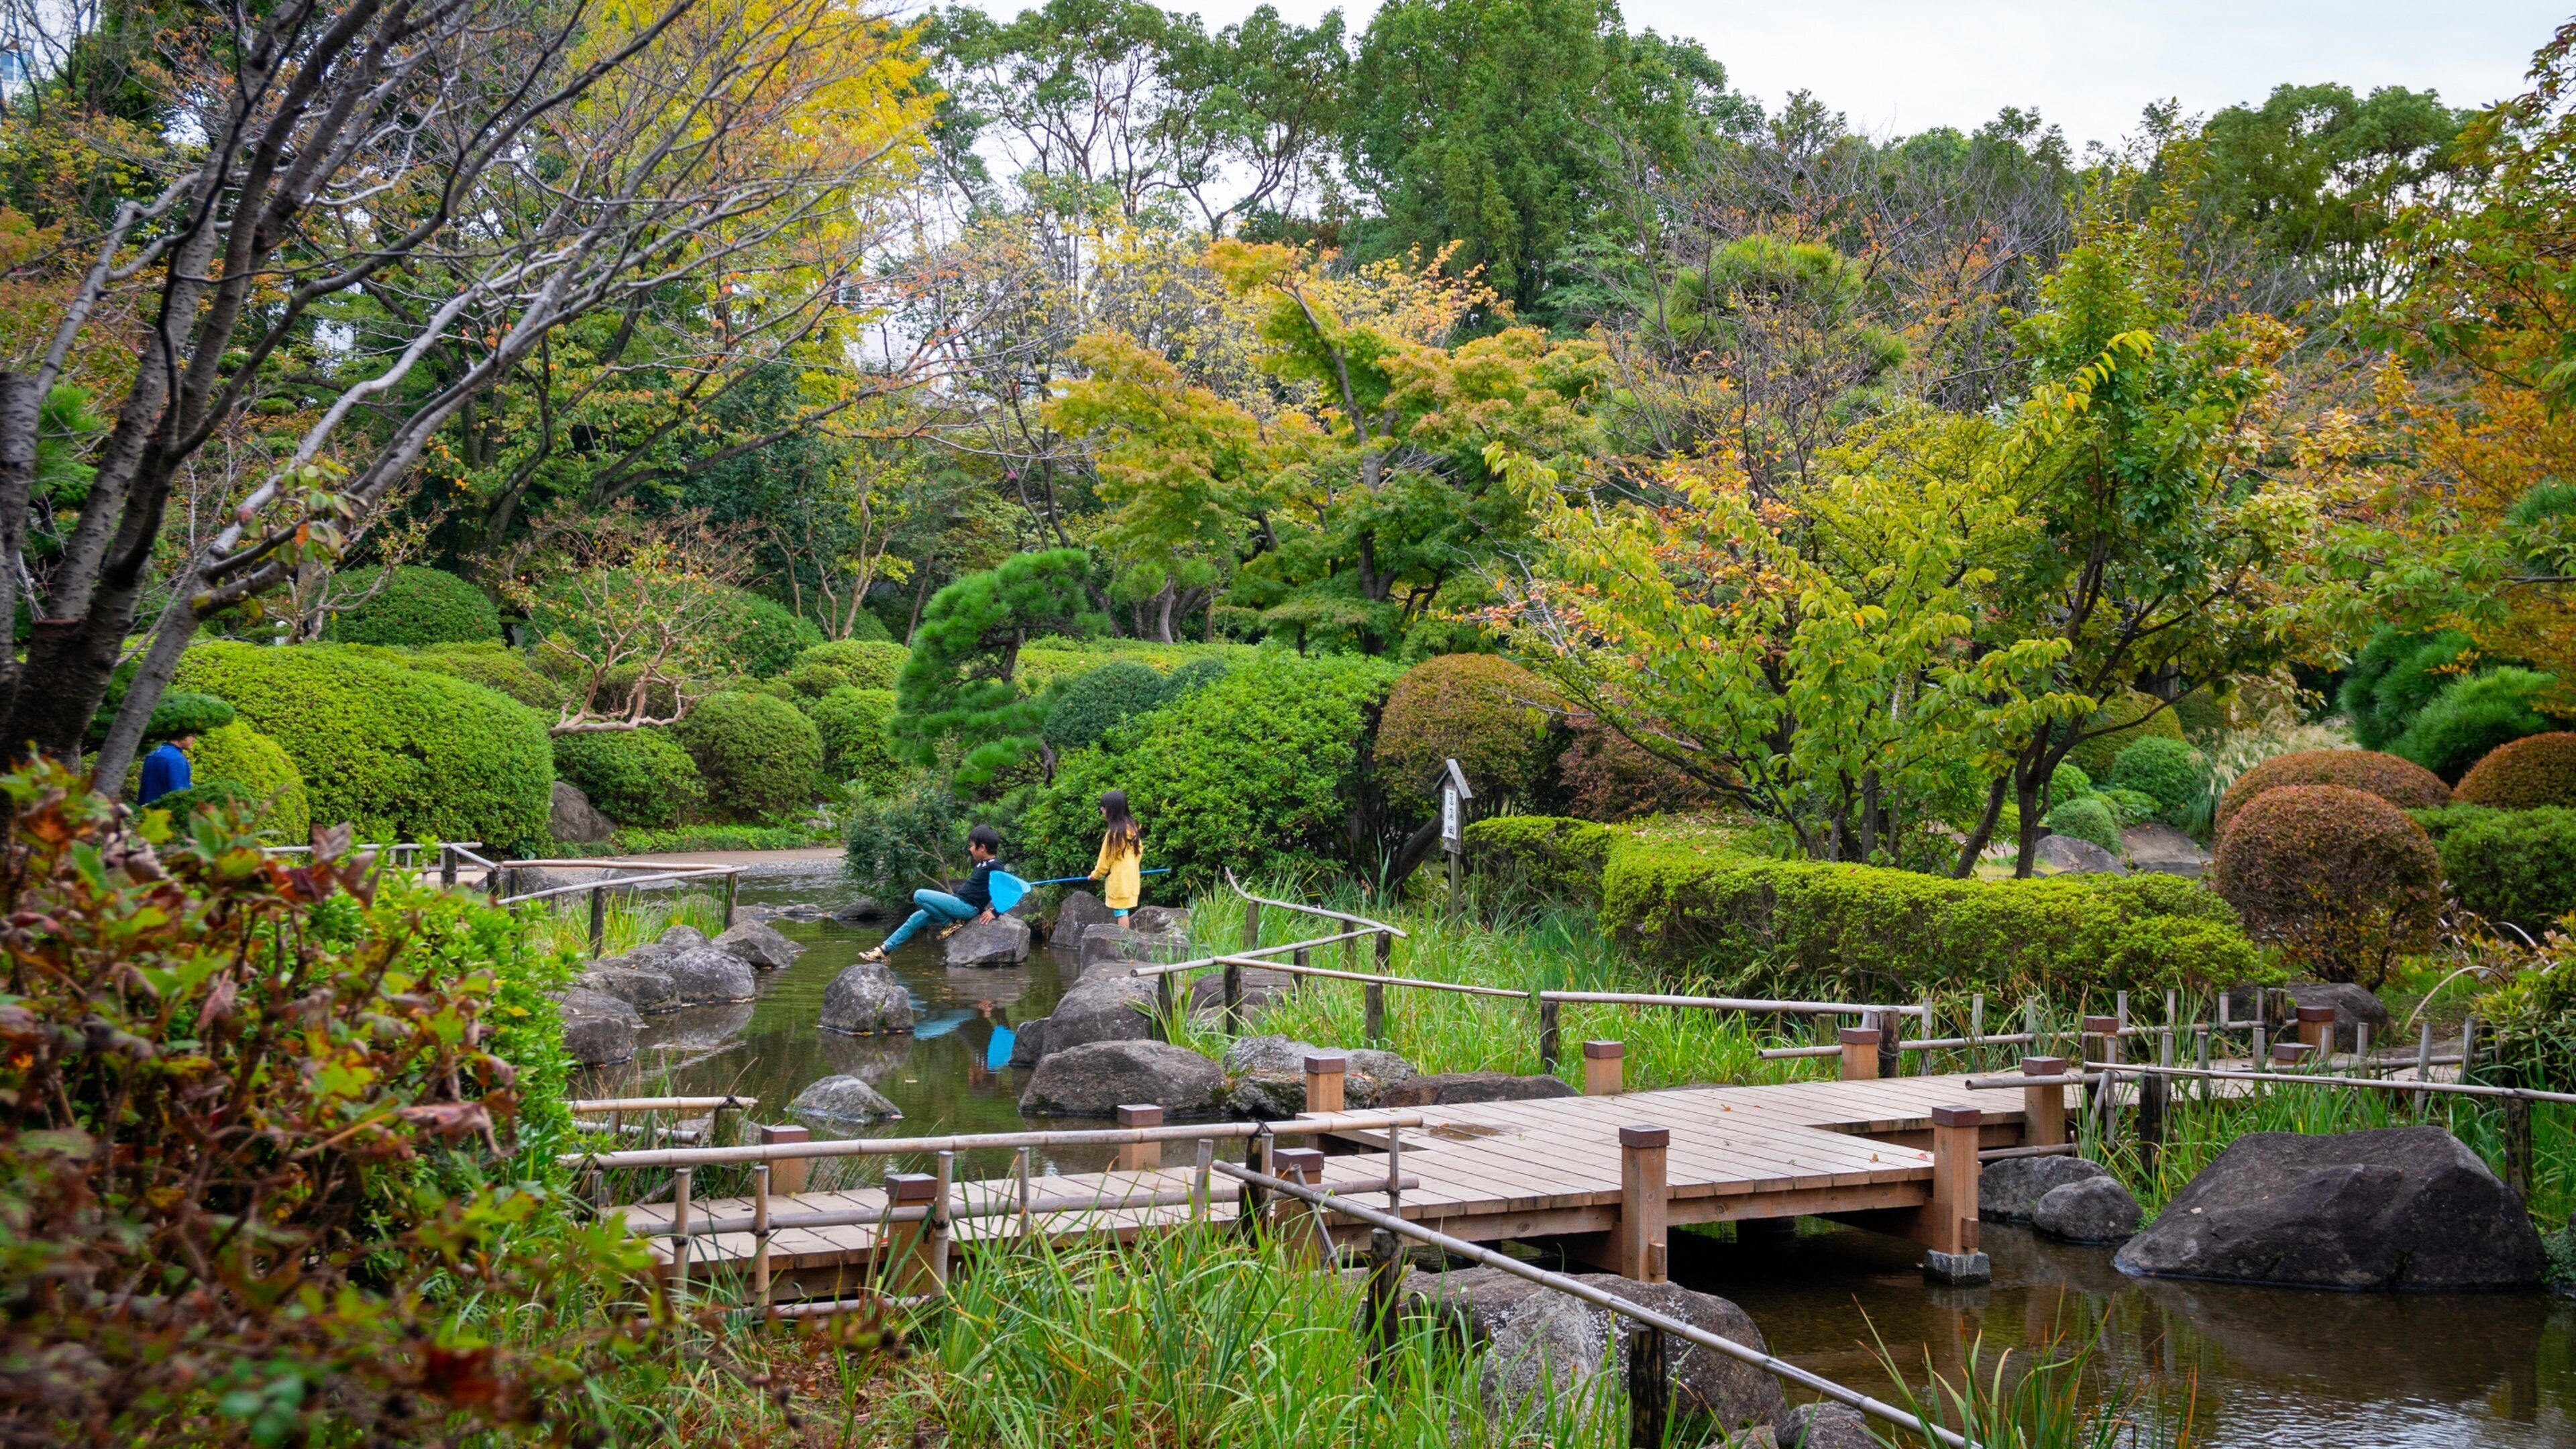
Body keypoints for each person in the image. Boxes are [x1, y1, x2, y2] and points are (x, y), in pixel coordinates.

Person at [859, 824, 1002, 961]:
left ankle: (950, 923)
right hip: (960, 903)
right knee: (916, 918)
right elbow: (981, 889)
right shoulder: (983, 864)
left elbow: (1009, 890)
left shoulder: (995, 866)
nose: (970, 849)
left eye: (971, 845)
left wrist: (995, 912)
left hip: (966, 907)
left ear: (982, 847)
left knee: (919, 895)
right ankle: (883, 950)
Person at [1087, 789, 1144, 920]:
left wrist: (1095, 875)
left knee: (1121, 911)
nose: (1102, 810)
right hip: (1131, 877)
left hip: (1119, 880)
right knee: (1123, 909)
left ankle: (1124, 940)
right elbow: (1139, 850)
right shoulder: (1132, 828)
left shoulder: (1114, 834)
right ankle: (1124, 939)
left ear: (1112, 809)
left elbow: (1105, 860)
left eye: (1104, 807)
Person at [140, 730, 196, 806]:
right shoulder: (177, 759)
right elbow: (180, 794)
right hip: (165, 813)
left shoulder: (153, 754)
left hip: (146, 812)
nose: (194, 739)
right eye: (192, 735)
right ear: (181, 735)